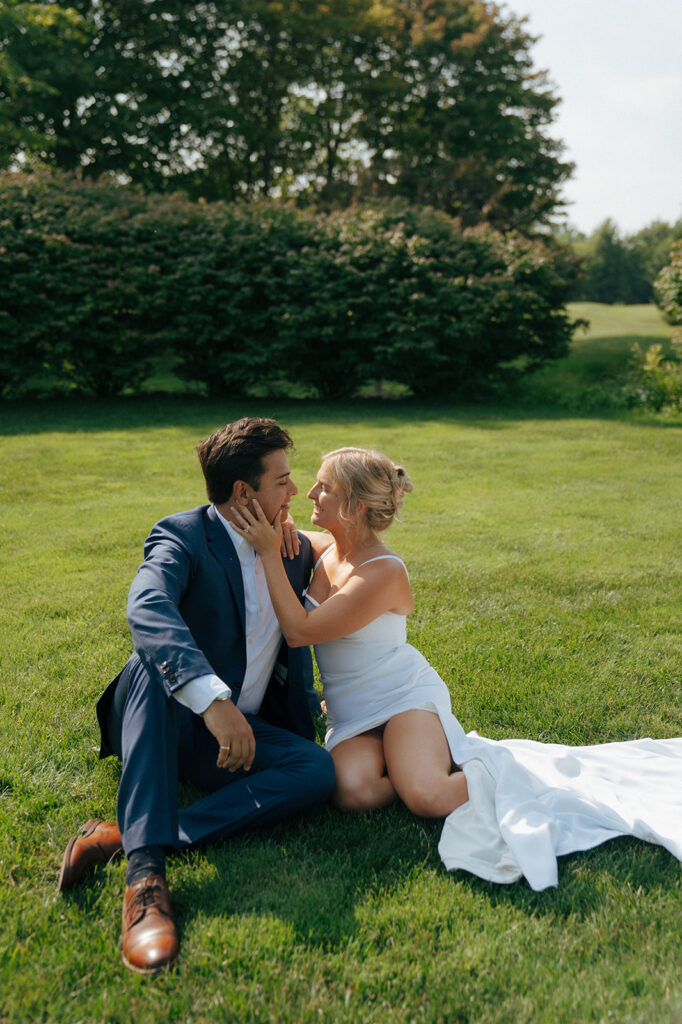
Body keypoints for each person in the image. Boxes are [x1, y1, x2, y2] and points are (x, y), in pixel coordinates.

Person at [229, 446, 682, 892]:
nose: (309, 493)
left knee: (428, 797)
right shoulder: (328, 548)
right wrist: (281, 525)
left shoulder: (384, 571)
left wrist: (270, 553)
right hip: (352, 713)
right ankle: (407, 759)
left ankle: (491, 770)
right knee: (354, 794)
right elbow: (291, 534)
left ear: (353, 506)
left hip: (403, 696)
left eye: (323, 488)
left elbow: (300, 631)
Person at [57, 418, 335, 974]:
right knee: (148, 667)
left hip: (239, 740)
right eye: (282, 481)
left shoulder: (294, 548)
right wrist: (213, 701)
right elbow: (147, 606)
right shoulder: (181, 536)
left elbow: (340, 555)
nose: (295, 492)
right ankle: (145, 879)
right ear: (242, 492)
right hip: (168, 721)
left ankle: (123, 834)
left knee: (316, 772)